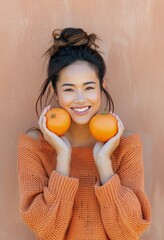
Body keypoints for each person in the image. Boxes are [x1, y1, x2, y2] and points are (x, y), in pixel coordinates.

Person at [17, 27, 151, 240]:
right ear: (55, 91)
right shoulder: (34, 146)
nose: (80, 99)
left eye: (89, 88)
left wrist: (104, 163)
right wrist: (62, 157)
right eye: (69, 89)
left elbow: (129, 231)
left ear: (101, 87)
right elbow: (46, 230)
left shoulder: (126, 144)